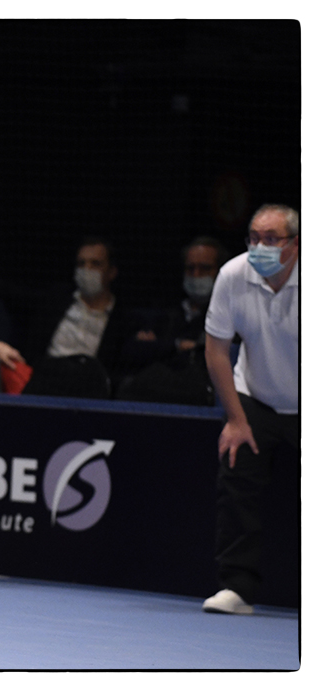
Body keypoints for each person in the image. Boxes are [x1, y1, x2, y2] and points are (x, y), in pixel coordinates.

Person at [201, 204, 299, 615]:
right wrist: (236, 420)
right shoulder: (232, 274)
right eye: (254, 238)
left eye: (271, 239)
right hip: (254, 396)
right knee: (237, 474)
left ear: (296, 245)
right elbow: (216, 350)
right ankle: (236, 588)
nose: (260, 247)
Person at [115, 236, 230, 405]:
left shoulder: (229, 315)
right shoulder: (166, 313)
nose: (196, 275)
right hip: (154, 396)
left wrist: (161, 346)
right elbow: (132, 350)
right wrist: (177, 345)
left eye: (205, 268)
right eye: (190, 268)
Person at [22, 236, 131, 398]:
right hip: (44, 382)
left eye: (95, 264)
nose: (87, 269)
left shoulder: (124, 320)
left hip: (87, 391)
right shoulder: (54, 301)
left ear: (112, 272)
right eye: (81, 263)